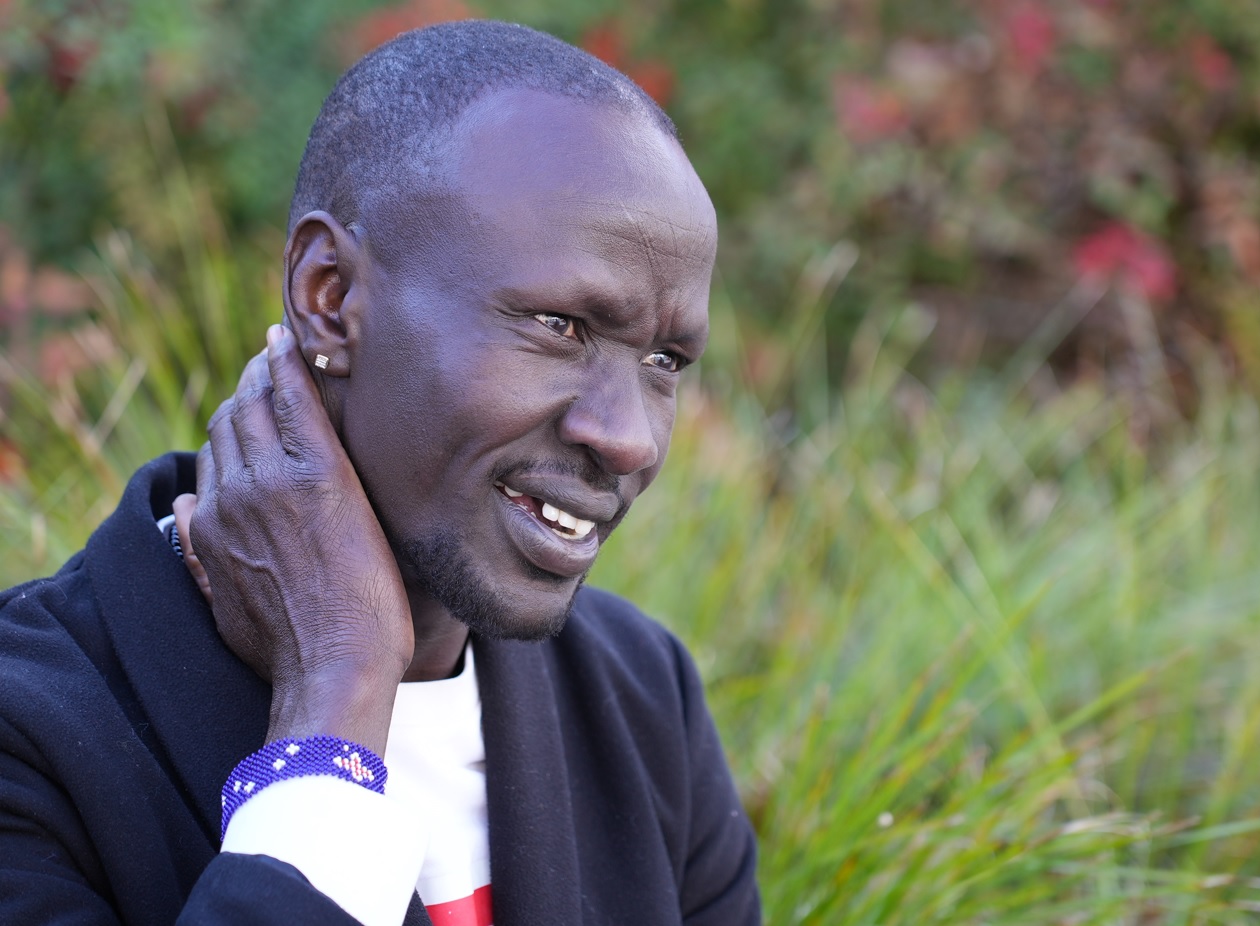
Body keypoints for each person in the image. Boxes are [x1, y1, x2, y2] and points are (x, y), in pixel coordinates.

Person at [0, 20, 759, 926]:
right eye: (560, 326)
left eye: (666, 361)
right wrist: (336, 703)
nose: (630, 439)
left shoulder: (638, 696)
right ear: (330, 296)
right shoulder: (29, 738)